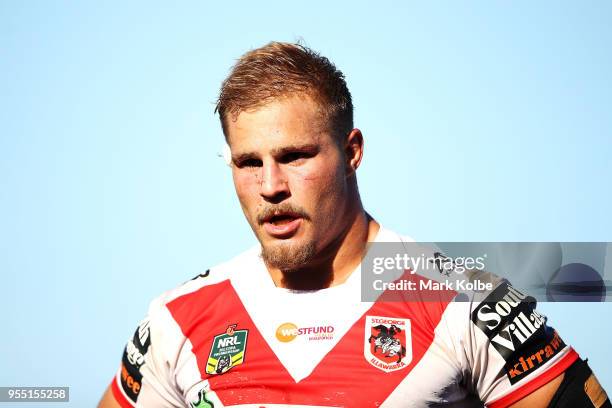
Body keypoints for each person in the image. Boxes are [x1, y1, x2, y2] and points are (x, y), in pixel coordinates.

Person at [99, 42, 609, 408]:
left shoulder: (464, 300)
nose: (270, 186)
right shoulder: (178, 320)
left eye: (294, 156)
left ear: (352, 152)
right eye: (248, 163)